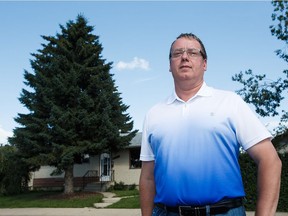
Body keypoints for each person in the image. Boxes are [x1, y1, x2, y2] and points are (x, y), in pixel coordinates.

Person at [139, 33, 282, 216]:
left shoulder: (230, 102)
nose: (184, 57)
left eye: (192, 52)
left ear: (204, 63)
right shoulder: (154, 114)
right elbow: (148, 177)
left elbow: (270, 160)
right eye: (177, 53)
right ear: (169, 65)